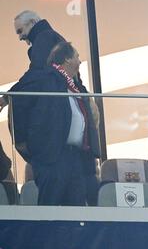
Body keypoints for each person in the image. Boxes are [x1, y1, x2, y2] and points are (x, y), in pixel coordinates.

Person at [10, 42, 100, 206]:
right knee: (50, 211)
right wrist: (24, 143)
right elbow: (18, 101)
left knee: (77, 211)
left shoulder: (76, 87)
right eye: (77, 57)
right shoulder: (44, 78)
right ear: (67, 59)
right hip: (52, 158)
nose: (80, 62)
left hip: (76, 157)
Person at [1, 11, 66, 110]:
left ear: (32, 22)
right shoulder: (51, 37)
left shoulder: (44, 38)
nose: (20, 37)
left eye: (20, 31)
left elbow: (35, 74)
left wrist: (7, 97)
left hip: (57, 104)